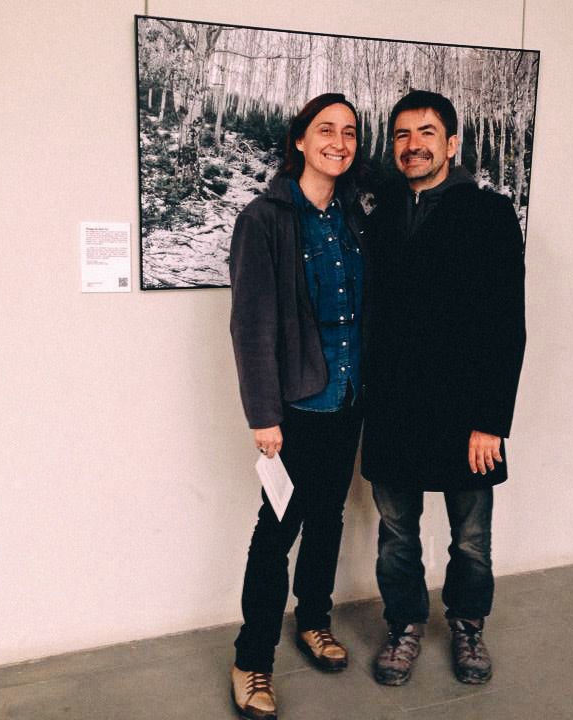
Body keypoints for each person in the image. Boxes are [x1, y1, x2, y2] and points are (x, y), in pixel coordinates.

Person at [361, 90, 526, 687]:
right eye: (402, 135)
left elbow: (507, 325)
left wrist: (491, 421)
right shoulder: (378, 220)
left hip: (465, 414)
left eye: (426, 133)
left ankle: (467, 625)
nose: (413, 145)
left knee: (471, 538)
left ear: (451, 143)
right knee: (396, 535)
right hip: (392, 406)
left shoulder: (490, 214)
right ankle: (404, 625)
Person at [228, 93, 368, 720]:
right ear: (302, 141)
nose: (339, 141)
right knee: (277, 529)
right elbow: (251, 325)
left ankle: (314, 619)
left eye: (350, 132)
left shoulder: (353, 217)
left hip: (348, 398)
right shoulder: (266, 217)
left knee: (330, 518)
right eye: (326, 130)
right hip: (295, 407)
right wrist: (264, 415)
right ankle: (251, 657)